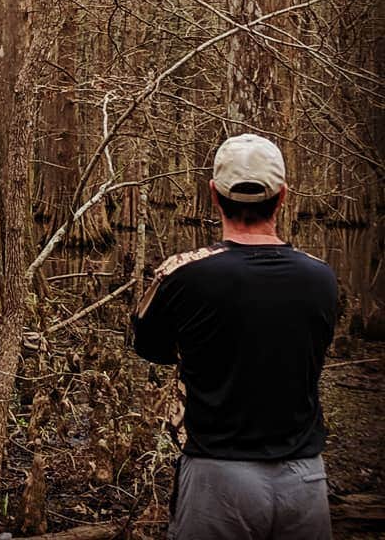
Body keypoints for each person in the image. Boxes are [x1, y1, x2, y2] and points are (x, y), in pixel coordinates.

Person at [132, 133, 338, 539]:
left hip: (216, 478)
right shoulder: (322, 277)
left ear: (213, 194)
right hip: (305, 479)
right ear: (282, 197)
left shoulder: (182, 274)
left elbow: (147, 345)